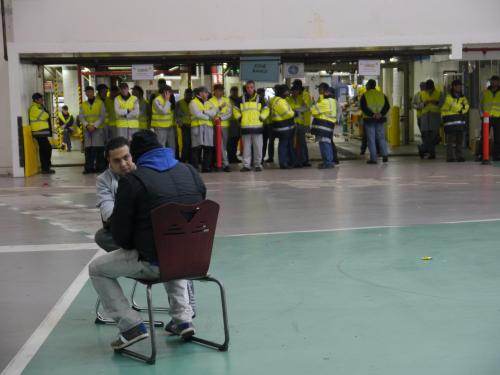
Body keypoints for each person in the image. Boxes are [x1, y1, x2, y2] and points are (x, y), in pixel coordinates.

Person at [89, 130, 206, 350]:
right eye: (117, 160)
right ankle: (183, 318)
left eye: (127, 157)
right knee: (173, 246)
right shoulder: (189, 171)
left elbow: (121, 235)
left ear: (135, 156)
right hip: (195, 257)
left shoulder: (134, 181)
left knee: (97, 268)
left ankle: (130, 326)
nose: (124, 163)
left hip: (154, 258)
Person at [233, 80, 270, 172]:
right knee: (246, 148)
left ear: (254, 88)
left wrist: (262, 117)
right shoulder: (240, 99)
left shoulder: (260, 98)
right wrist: (239, 118)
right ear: (246, 88)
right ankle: (246, 165)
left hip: (257, 127)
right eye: (248, 87)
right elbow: (235, 110)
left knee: (258, 147)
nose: (249, 89)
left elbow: (266, 110)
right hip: (245, 127)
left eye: (251, 87)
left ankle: (258, 165)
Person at [360, 79, 390, 164]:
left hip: (369, 120)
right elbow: (387, 106)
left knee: (371, 139)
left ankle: (373, 159)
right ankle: (385, 155)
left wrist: (372, 114)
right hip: (380, 119)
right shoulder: (382, 95)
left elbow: (363, 107)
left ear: (369, 85)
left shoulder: (365, 95)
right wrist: (380, 114)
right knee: (381, 137)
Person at [441, 80, 470, 162]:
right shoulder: (448, 97)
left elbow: (467, 106)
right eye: (458, 86)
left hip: (460, 122)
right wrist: (461, 109)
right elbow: (453, 105)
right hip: (450, 121)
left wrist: (462, 110)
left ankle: (459, 156)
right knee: (450, 141)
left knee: (459, 140)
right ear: (453, 87)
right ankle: (450, 157)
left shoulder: (463, 97)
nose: (459, 87)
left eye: (460, 86)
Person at [189, 87, 216, 172]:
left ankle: (206, 167)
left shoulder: (209, 102)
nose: (208, 94)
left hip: (208, 128)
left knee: (208, 148)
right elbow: (197, 114)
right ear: (200, 93)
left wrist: (204, 112)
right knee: (196, 149)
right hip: (197, 127)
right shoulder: (193, 102)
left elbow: (214, 112)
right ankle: (195, 168)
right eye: (206, 92)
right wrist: (208, 117)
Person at [80, 86, 106, 174]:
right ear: (85, 93)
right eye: (87, 92)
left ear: (93, 92)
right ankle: (88, 168)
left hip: (97, 129)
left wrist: (95, 126)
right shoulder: (83, 104)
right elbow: (81, 117)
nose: (89, 93)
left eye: (90, 91)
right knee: (88, 150)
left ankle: (100, 167)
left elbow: (102, 116)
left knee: (99, 149)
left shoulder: (100, 103)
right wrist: (87, 125)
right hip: (87, 130)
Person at [311, 84, 337, 169]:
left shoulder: (325, 102)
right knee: (326, 143)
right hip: (328, 126)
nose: (321, 92)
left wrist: (313, 104)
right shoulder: (333, 101)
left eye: (324, 91)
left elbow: (313, 110)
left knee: (324, 144)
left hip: (323, 126)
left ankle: (328, 162)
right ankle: (327, 161)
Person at [208, 84, 232, 172]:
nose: (219, 92)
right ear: (214, 91)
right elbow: (210, 113)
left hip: (225, 126)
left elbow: (229, 113)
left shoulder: (227, 100)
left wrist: (221, 118)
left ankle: (219, 162)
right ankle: (225, 164)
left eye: (221, 90)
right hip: (215, 126)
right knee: (219, 145)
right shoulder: (210, 101)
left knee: (223, 146)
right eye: (218, 90)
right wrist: (216, 118)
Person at [29, 93, 54, 174]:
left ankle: (46, 167)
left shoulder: (39, 107)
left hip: (42, 132)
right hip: (39, 132)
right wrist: (47, 113)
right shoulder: (34, 108)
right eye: (41, 99)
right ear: (36, 100)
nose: (42, 100)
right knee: (45, 149)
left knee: (46, 149)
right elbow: (45, 116)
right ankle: (45, 168)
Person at [271, 84, 296, 169]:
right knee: (283, 145)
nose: (288, 93)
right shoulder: (280, 101)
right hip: (283, 127)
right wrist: (294, 113)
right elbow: (287, 114)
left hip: (281, 126)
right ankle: (283, 163)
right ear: (282, 92)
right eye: (287, 91)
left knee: (285, 145)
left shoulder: (276, 100)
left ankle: (287, 162)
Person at [287, 80, 312, 167]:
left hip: (302, 122)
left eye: (296, 89)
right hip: (293, 123)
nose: (294, 92)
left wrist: (295, 110)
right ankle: (295, 160)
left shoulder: (304, 95)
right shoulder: (290, 98)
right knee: (294, 143)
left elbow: (306, 107)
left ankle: (304, 160)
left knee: (301, 143)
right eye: (293, 90)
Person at [418, 79, 444, 160]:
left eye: (430, 89)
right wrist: (424, 104)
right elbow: (418, 105)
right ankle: (431, 154)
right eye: (427, 89)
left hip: (435, 116)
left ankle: (422, 149)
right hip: (425, 117)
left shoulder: (439, 93)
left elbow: (442, 104)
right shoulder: (421, 94)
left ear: (433, 87)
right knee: (426, 136)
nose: (428, 91)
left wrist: (435, 102)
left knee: (434, 137)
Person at [480, 75, 500, 160]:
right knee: (484, 137)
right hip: (486, 118)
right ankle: (482, 155)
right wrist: (481, 115)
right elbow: (479, 104)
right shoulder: (484, 92)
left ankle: (497, 155)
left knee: (498, 137)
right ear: (490, 82)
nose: (494, 83)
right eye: (493, 81)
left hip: (498, 117)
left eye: (496, 81)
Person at [151, 86, 176, 150]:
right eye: (169, 92)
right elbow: (163, 111)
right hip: (160, 127)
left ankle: (171, 159)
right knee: (161, 145)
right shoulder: (156, 100)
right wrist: (167, 101)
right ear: (165, 92)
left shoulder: (170, 99)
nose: (170, 94)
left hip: (170, 126)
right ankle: (162, 159)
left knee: (172, 145)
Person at [176, 88, 193, 163]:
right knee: (186, 143)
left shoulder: (193, 102)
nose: (189, 96)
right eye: (187, 94)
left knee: (193, 144)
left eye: (190, 95)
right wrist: (180, 124)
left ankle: (191, 159)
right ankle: (184, 159)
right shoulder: (179, 103)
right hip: (185, 126)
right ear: (184, 94)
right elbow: (177, 115)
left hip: (193, 126)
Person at [262, 86, 277, 164]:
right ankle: (263, 157)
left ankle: (270, 157)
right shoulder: (263, 101)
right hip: (265, 124)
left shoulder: (272, 101)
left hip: (270, 124)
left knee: (270, 141)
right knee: (265, 141)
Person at [227, 86, 241, 163]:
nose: (235, 93)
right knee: (231, 142)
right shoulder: (228, 100)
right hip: (231, 123)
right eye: (233, 91)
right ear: (231, 92)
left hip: (238, 123)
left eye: (236, 91)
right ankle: (230, 157)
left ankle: (234, 157)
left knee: (236, 141)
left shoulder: (238, 100)